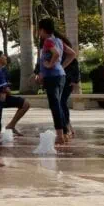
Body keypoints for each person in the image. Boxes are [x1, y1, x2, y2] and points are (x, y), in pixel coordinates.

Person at [32, 18, 76, 146]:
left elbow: (56, 54)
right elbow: (72, 54)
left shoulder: (48, 41)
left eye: (38, 30)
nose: (38, 32)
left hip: (52, 77)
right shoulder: (59, 40)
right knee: (58, 104)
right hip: (60, 76)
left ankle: (60, 136)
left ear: (42, 29)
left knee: (55, 106)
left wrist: (50, 65)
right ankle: (65, 133)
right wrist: (62, 66)